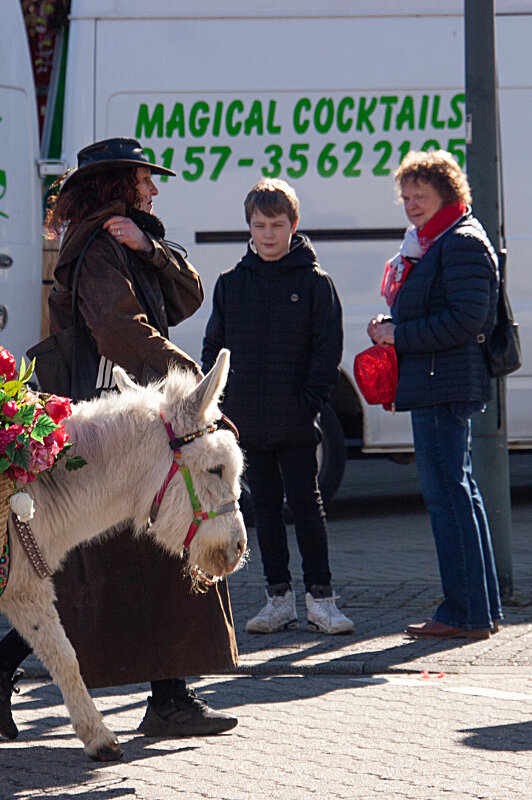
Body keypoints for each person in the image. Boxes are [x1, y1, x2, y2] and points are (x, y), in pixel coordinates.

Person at [0, 137, 238, 738]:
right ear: (118, 186)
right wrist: (193, 394)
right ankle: (161, 697)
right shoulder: (95, 250)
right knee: (129, 555)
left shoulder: (124, 244)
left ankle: (2, 666)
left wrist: (153, 249)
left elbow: (186, 298)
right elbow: (121, 332)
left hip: (126, 414)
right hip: (113, 420)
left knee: (121, 560)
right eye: (145, 181)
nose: (154, 190)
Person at [201, 178, 353, 636]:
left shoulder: (314, 284)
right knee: (262, 508)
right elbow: (214, 350)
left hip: (295, 422)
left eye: (277, 225)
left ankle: (322, 600)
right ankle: (278, 599)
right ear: (248, 226)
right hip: (246, 426)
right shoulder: (231, 284)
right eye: (259, 225)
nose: (268, 234)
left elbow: (328, 352)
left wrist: (307, 403)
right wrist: (225, 407)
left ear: (294, 225)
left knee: (307, 506)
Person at [366, 150, 502, 639]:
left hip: (444, 384)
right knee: (458, 494)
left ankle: (464, 614)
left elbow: (466, 320)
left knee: (449, 497)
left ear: (448, 194)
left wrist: (399, 335)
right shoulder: (437, 242)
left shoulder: (459, 242)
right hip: (436, 382)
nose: (410, 205)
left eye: (419, 196)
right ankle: (479, 611)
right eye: (405, 197)